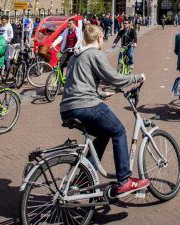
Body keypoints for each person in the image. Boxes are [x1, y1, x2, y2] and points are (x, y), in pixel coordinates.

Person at [60, 25, 148, 197]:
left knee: (103, 134)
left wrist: (100, 93)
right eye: (102, 39)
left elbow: (76, 83)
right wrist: (137, 77)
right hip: (85, 105)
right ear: (99, 38)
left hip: (67, 108)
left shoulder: (76, 56)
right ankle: (124, 181)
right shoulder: (94, 54)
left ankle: (83, 178)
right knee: (118, 131)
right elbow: (113, 78)